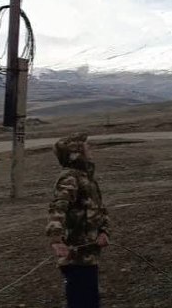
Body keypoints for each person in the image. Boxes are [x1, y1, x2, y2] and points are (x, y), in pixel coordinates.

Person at [46, 132, 110, 308]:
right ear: (76, 153)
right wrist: (56, 240)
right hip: (75, 254)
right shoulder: (70, 177)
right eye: (86, 146)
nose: (90, 149)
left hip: (89, 251)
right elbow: (58, 208)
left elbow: (98, 208)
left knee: (90, 299)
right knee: (80, 301)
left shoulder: (86, 177)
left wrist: (104, 231)